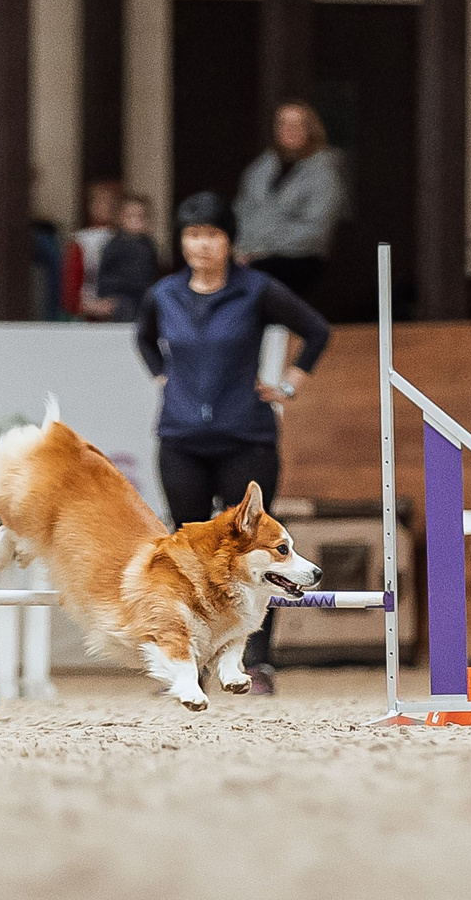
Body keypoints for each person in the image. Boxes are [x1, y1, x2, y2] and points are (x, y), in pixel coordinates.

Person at [135, 191, 332, 693]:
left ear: (229, 241)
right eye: (193, 235)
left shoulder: (257, 289)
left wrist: (288, 384)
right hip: (181, 437)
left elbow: (316, 330)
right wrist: (163, 377)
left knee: (257, 550)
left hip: (246, 435)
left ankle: (256, 663)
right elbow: (143, 339)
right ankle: (186, 661)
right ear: (182, 242)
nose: (202, 245)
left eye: (213, 235)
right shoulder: (163, 293)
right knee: (186, 549)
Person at [233, 102, 346, 303]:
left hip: (297, 257)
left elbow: (316, 229)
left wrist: (262, 250)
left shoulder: (324, 172)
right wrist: (240, 249)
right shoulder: (260, 169)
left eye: (297, 124)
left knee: (258, 279)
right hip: (250, 256)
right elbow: (241, 212)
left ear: (310, 129)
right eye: (283, 123)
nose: (289, 130)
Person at [77, 187, 161, 322]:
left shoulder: (149, 246)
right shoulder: (115, 245)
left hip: (142, 297)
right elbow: (105, 274)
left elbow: (151, 274)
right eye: (130, 217)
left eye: (140, 217)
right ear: (121, 219)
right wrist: (106, 297)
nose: (135, 221)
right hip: (119, 297)